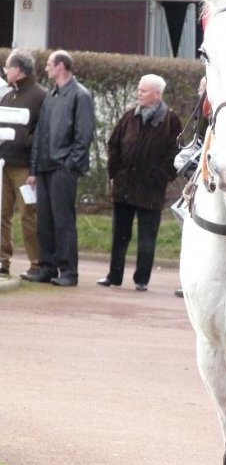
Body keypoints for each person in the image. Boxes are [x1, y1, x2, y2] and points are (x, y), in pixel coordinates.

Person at [97, 74, 181, 291]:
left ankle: (141, 279)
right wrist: (116, 173)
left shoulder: (170, 122)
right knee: (120, 235)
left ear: (157, 94)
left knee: (147, 237)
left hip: (151, 190)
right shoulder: (128, 117)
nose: (139, 93)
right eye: (139, 89)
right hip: (125, 187)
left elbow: (175, 154)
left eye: (143, 90)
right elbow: (113, 144)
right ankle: (113, 276)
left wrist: (161, 177)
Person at [26, 50, 95, 286]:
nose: (46, 68)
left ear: (61, 66)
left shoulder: (80, 95)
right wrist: (33, 170)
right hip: (45, 167)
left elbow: (84, 135)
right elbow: (40, 135)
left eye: (49, 64)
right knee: (44, 220)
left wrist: (69, 164)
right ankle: (47, 267)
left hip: (62, 167)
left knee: (63, 220)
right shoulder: (51, 95)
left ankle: (69, 271)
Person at [0, 49, 46, 278]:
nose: (5, 71)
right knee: (2, 213)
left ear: (18, 70)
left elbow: (41, 134)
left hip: (25, 167)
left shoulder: (40, 96)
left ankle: (36, 262)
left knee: (28, 214)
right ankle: (2, 260)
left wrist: (35, 168)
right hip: (4, 163)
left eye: (8, 67)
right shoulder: (8, 96)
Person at [173, 75, 208, 298]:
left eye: (203, 89)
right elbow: (197, 141)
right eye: (199, 89)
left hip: (216, 175)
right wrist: (184, 160)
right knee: (184, 217)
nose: (199, 92)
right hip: (201, 177)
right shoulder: (202, 110)